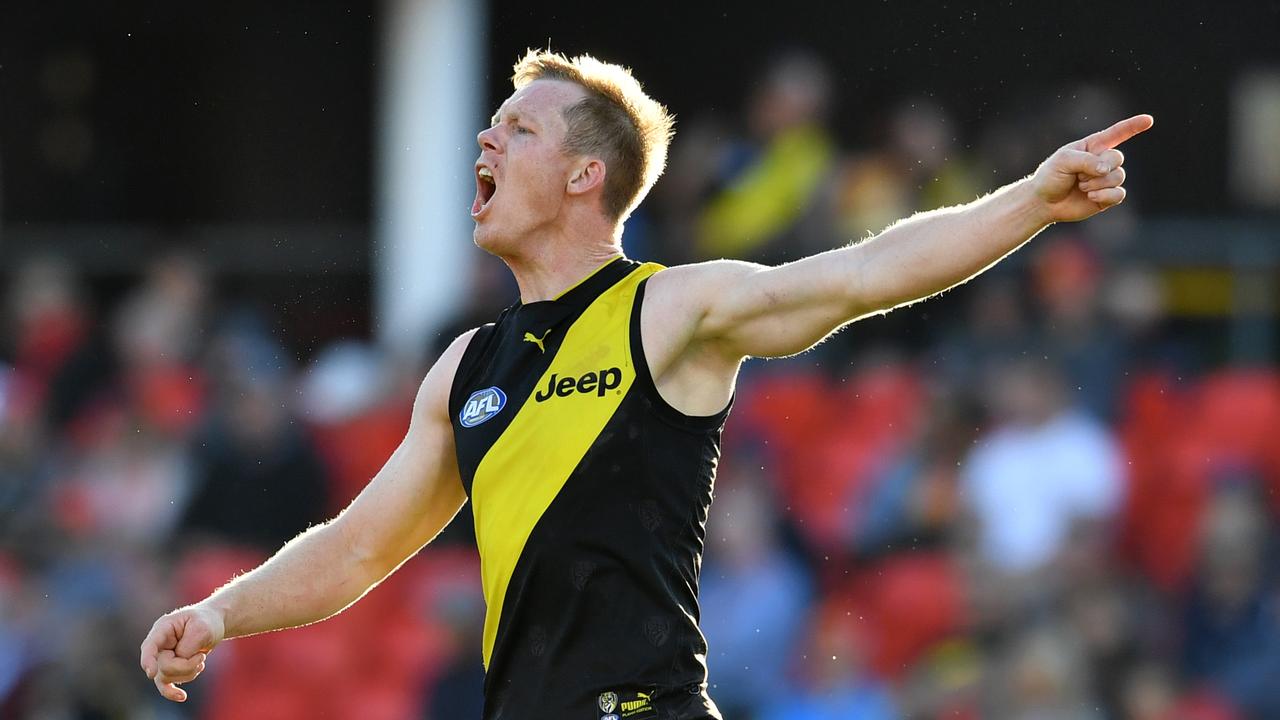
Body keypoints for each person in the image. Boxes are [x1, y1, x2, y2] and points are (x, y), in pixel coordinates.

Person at [139, 49, 1152, 720]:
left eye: (517, 129)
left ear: (586, 175)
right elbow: (357, 548)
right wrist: (223, 614)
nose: (486, 141)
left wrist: (1028, 201)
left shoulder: (667, 310)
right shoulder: (465, 366)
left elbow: (863, 272)